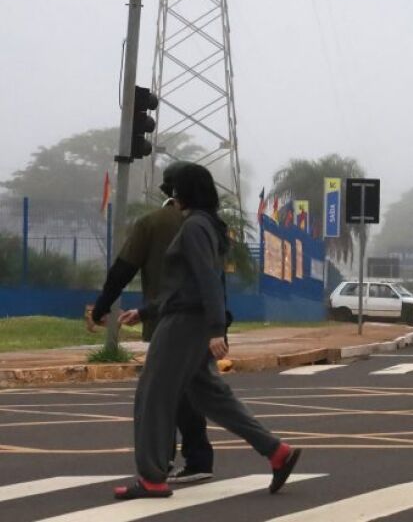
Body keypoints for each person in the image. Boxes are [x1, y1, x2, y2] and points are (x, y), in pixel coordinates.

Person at [113, 163, 301, 500]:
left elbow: (207, 281)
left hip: (184, 325)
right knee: (210, 396)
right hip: (189, 320)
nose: (169, 196)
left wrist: (217, 329)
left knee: (153, 396)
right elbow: (184, 284)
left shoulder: (195, 227)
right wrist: (144, 312)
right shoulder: (203, 224)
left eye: (172, 189)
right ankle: (277, 452)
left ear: (183, 192)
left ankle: (152, 478)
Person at [87, 161, 215, 483]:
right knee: (196, 392)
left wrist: (102, 306)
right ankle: (204, 456)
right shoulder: (208, 223)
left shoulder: (153, 223)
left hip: (168, 322)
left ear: (169, 191)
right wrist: (218, 326)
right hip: (201, 323)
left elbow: (122, 269)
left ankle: (160, 465)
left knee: (159, 395)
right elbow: (213, 280)